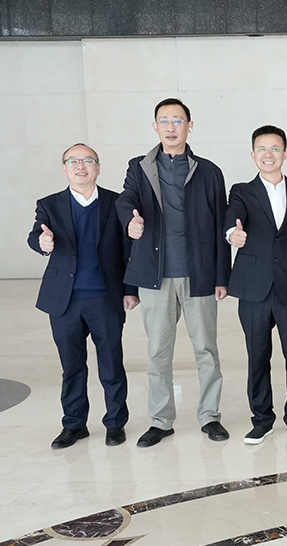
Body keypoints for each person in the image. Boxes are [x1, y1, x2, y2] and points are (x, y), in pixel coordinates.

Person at [116, 98, 231, 447]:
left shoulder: (209, 171)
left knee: (206, 350)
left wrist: (221, 276)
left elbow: (220, 225)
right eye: (164, 121)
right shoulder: (139, 167)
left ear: (189, 126)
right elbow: (125, 199)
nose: (170, 127)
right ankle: (161, 420)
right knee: (157, 353)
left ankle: (210, 416)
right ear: (155, 127)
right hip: (155, 276)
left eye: (177, 120)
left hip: (199, 274)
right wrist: (131, 220)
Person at [28, 144, 139, 449]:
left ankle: (115, 423)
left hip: (106, 297)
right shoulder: (49, 204)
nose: (81, 166)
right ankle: (74, 425)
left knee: (111, 364)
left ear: (98, 167)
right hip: (64, 301)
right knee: (72, 366)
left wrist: (130, 290)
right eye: (73, 161)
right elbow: (36, 235)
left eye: (88, 160)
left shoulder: (116, 203)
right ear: (64, 169)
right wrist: (42, 243)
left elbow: (128, 250)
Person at [226, 125, 287, 444]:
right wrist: (232, 233)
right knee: (257, 357)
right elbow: (233, 216)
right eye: (262, 149)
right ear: (253, 155)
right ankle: (262, 419)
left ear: (285, 153)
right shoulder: (241, 190)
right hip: (254, 288)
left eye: (275, 148)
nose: (269, 154)